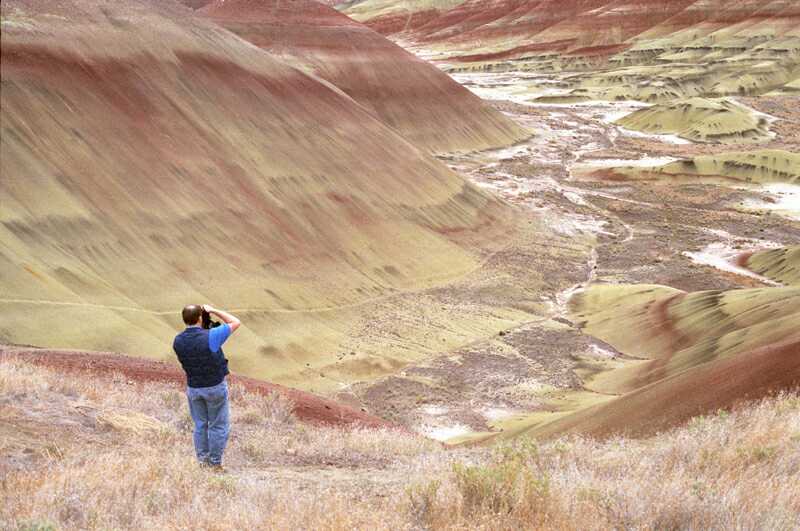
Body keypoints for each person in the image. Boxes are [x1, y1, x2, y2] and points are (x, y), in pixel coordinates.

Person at [173, 304, 241, 470]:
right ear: (200, 318)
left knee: (200, 426)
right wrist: (213, 310)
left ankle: (202, 462)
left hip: (194, 388)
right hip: (214, 386)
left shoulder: (178, 341)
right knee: (218, 426)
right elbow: (235, 322)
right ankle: (215, 464)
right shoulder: (212, 336)